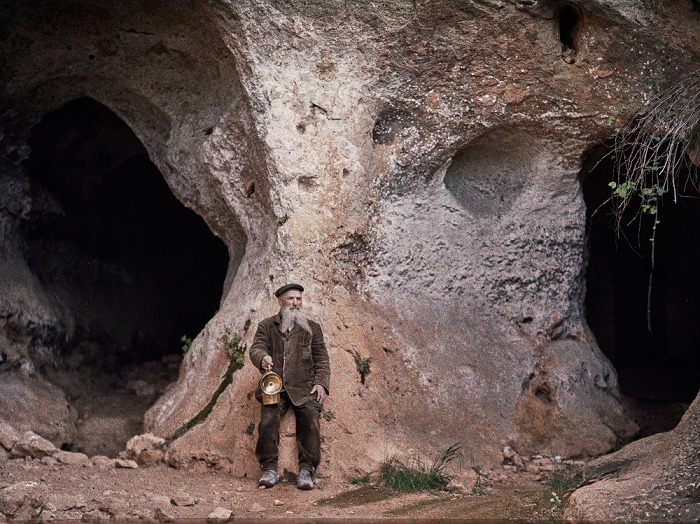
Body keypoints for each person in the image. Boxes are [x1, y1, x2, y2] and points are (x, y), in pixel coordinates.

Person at [249, 283, 330, 490]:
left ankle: (306, 470)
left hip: (305, 388)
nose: (295, 303)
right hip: (275, 387)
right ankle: (268, 469)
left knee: (310, 419)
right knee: (268, 419)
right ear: (280, 301)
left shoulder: (313, 328)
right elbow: (256, 348)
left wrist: (321, 383)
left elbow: (321, 358)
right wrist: (263, 358)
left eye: (298, 299)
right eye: (291, 299)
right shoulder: (266, 326)